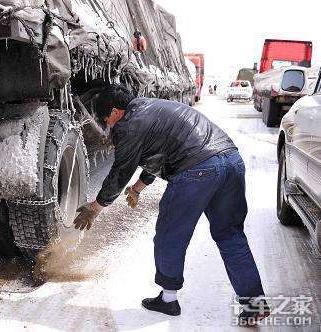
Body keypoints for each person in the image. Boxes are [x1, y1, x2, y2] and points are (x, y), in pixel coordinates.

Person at [73, 84, 269, 325]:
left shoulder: (127, 125)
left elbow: (121, 170)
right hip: (231, 160)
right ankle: (254, 304)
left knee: (169, 236)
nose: (107, 125)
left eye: (106, 119)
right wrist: (136, 189)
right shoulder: (150, 108)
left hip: (198, 170)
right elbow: (163, 153)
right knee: (230, 235)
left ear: (114, 112)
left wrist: (95, 208)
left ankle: (168, 299)